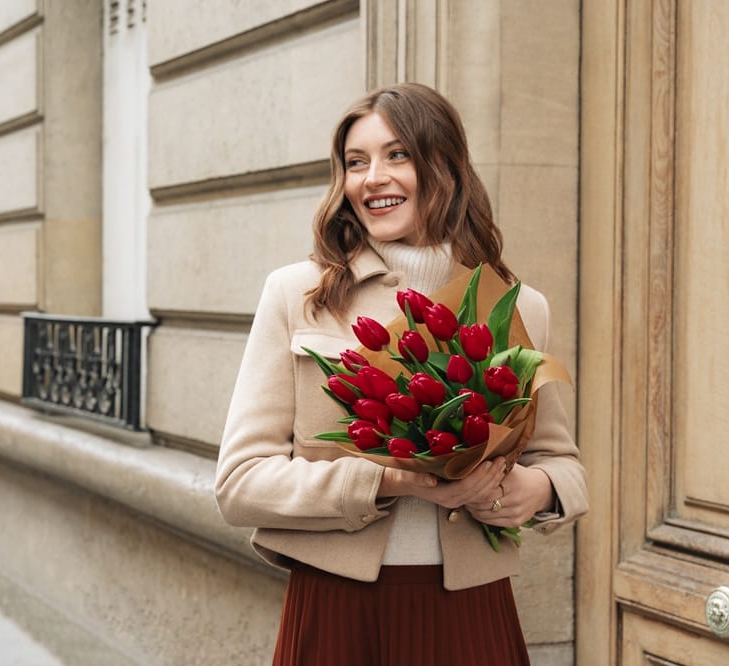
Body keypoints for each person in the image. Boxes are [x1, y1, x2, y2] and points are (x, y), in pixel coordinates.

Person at [215, 82, 588, 665]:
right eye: (355, 163)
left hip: (471, 609)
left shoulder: (516, 306)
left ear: (444, 165)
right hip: (337, 608)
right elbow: (239, 485)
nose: (372, 179)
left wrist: (529, 491)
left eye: (397, 155)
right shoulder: (298, 293)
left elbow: (560, 462)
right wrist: (389, 482)